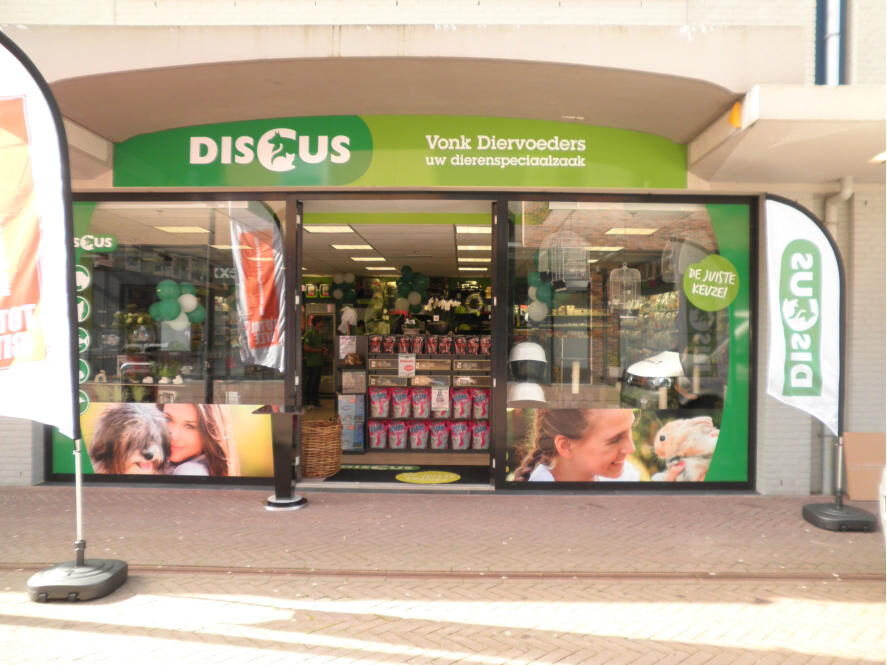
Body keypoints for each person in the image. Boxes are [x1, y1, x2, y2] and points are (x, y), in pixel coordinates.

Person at [513, 408, 645, 482]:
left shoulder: (627, 475)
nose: (631, 448)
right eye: (615, 439)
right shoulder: (538, 500)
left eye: (630, 429)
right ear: (566, 446)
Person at [162, 403, 240, 476]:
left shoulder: (188, 471)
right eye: (168, 419)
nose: (174, 436)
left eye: (189, 426)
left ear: (211, 431)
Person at [302, 315, 328, 408]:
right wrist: (318, 351)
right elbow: (305, 347)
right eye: (321, 322)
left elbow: (319, 346)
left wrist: (323, 349)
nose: (323, 324)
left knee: (316, 382)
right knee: (311, 382)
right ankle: (308, 401)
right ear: (317, 323)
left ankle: (315, 400)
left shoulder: (318, 333)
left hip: (319, 361)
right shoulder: (310, 333)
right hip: (312, 362)